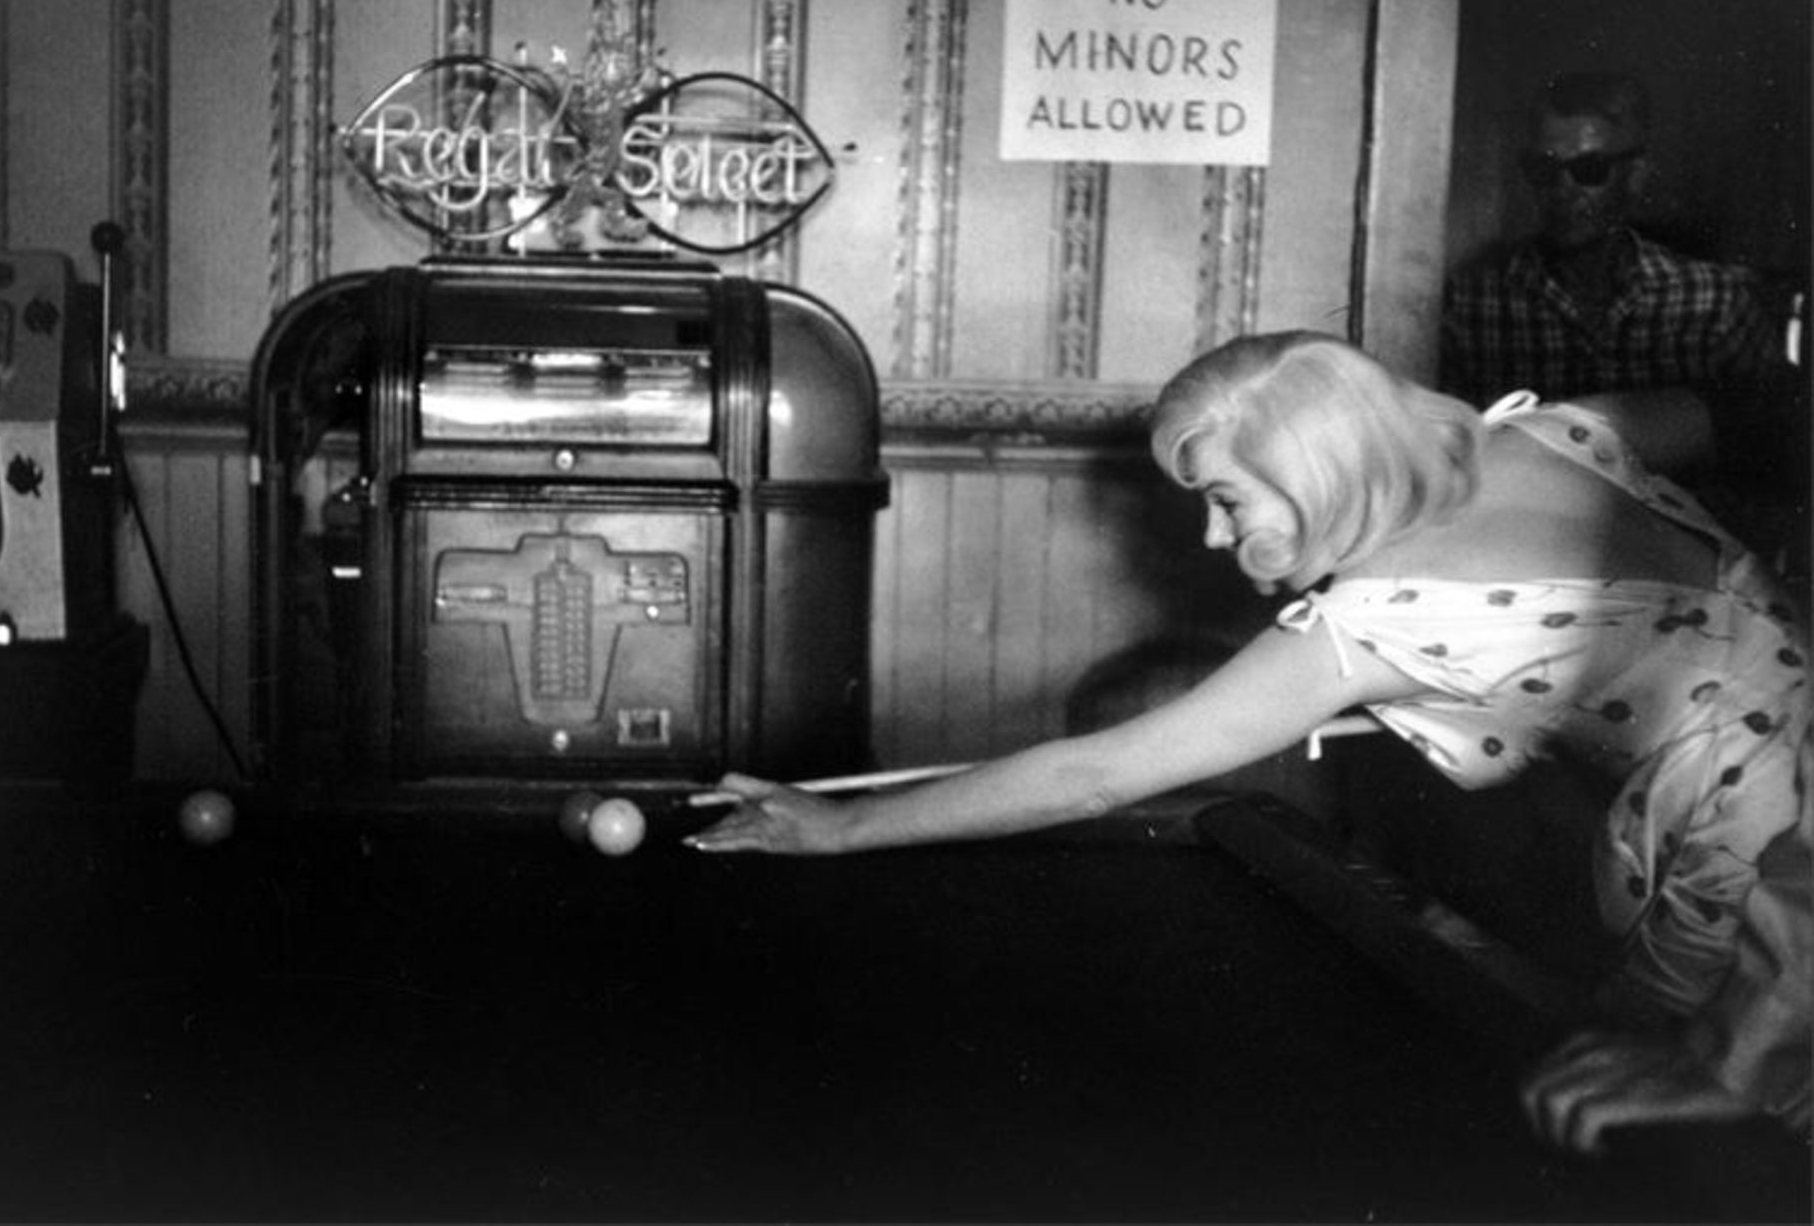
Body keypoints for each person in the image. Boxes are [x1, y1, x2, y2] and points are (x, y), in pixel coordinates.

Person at [687, 331, 1810, 1157]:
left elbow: (1098, 774)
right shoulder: (1556, 431)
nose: (1217, 537)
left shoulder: (1375, 620)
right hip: (1779, 830)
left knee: (1671, 1153)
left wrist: (840, 826)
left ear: (1315, 466)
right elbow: (1749, 408)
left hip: (1759, 883)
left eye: (1227, 498)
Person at [1440, 71, 1801, 494]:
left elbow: (1774, 444)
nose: (1562, 189)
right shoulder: (1472, 303)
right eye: (1544, 168)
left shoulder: (1712, 301)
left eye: (1589, 169)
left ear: (1636, 176)